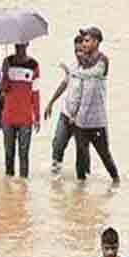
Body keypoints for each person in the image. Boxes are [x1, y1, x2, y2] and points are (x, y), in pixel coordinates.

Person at [70, 27, 119, 184]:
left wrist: (72, 72)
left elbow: (92, 73)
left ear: (96, 42)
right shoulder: (82, 61)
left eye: (87, 40)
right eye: (83, 40)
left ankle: (116, 182)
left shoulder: (103, 60)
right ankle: (80, 193)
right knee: (80, 158)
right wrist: (72, 113)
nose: (83, 44)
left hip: (97, 121)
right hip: (80, 120)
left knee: (105, 155)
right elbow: (77, 91)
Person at [44, 34, 86, 176]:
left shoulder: (92, 70)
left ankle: (84, 181)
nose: (78, 54)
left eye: (81, 51)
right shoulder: (72, 66)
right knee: (57, 144)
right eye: (76, 51)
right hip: (66, 113)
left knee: (82, 151)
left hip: (81, 119)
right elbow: (65, 83)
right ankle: (55, 177)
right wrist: (51, 102)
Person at [0, 43, 40, 178]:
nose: (19, 47)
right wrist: (5, 73)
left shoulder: (34, 65)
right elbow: (3, 88)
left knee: (24, 155)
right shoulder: (7, 62)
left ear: (28, 44)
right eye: (17, 44)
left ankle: (23, 189)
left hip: (26, 117)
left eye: (22, 44)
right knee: (8, 154)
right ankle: (8, 192)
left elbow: (35, 92)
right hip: (8, 116)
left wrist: (37, 117)